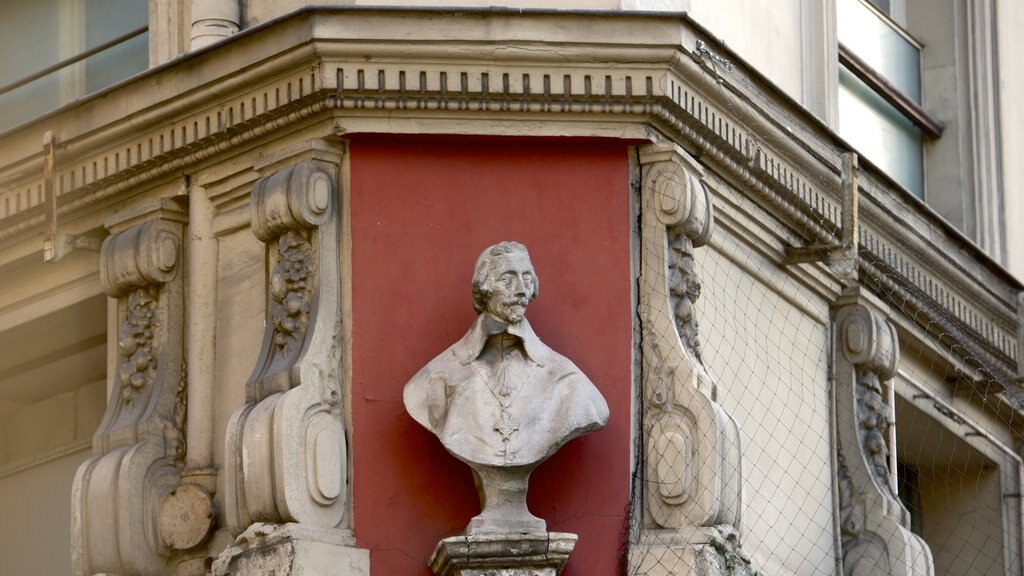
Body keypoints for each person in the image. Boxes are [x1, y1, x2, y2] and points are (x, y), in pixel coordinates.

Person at [404, 241, 609, 534]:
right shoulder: (436, 379)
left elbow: (592, 410)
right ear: (484, 288)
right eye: (508, 278)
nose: (522, 289)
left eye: (527, 277)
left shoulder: (568, 382)